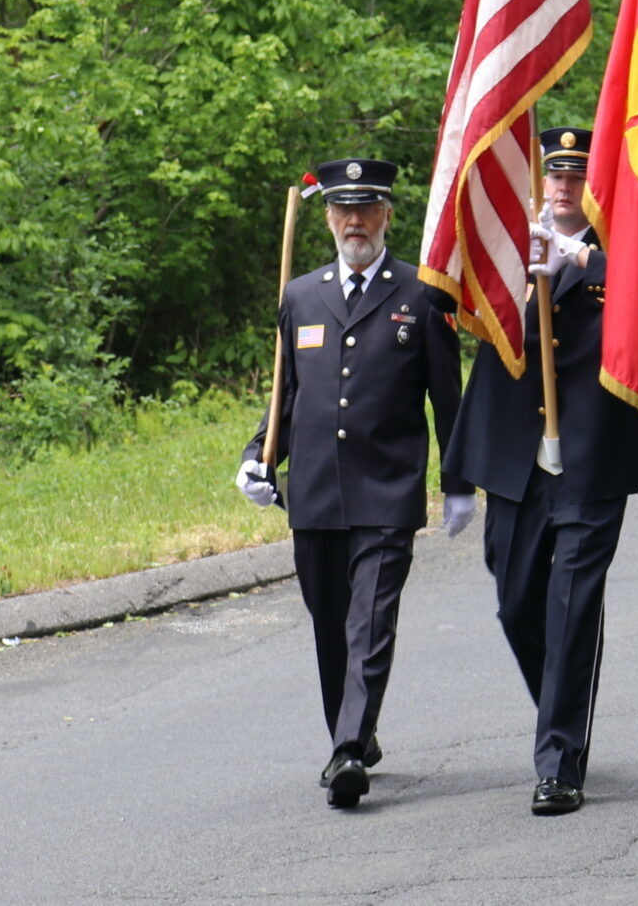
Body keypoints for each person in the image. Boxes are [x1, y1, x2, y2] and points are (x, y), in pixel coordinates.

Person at [444, 127, 638, 816]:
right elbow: (456, 297)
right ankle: (561, 706)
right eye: (555, 174)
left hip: (593, 452)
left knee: (573, 600)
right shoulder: (505, 246)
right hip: (515, 454)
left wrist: (579, 256)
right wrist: (523, 269)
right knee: (517, 602)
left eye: (578, 176)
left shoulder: (621, 250)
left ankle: (559, 762)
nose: (565, 187)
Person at [235, 158, 465, 809]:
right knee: (330, 623)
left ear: (388, 214)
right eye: (343, 210)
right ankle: (354, 730)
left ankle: (346, 749)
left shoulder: (422, 293)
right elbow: (285, 394)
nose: (354, 221)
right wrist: (260, 456)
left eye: (367, 209)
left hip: (387, 490)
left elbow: (447, 398)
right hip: (314, 491)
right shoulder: (300, 296)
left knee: (369, 620)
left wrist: (458, 480)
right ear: (329, 218)